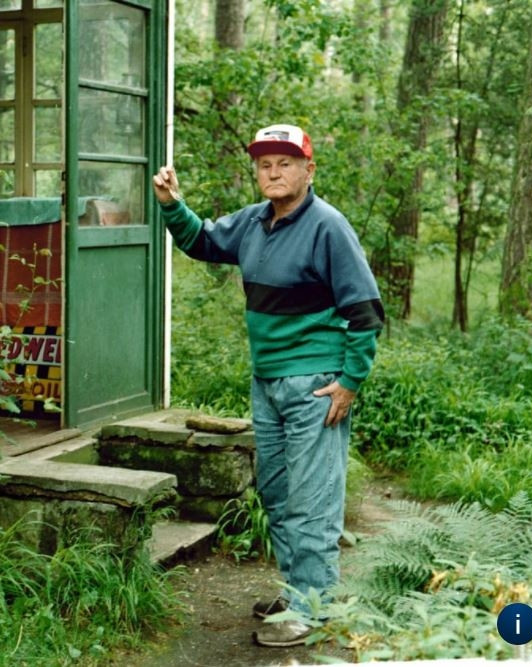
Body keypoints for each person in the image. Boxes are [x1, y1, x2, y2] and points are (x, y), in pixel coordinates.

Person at [152, 124, 384, 648]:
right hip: (268, 382)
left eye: (285, 163)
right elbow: (202, 240)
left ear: (308, 170)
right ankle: (298, 591)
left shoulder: (328, 227)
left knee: (312, 500)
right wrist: (171, 205)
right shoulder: (254, 222)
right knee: (278, 494)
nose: (273, 172)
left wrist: (350, 381)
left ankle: (313, 608)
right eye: (265, 164)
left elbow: (366, 312)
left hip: (316, 385)